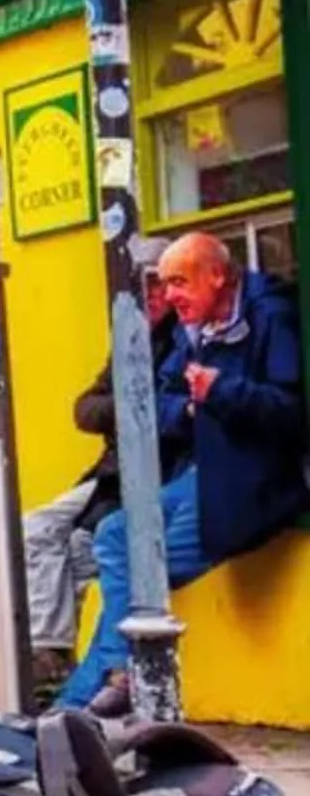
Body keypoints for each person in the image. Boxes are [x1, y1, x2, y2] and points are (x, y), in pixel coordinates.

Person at [56, 231, 306, 713]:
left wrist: (221, 392)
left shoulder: (270, 317)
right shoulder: (196, 327)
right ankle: (103, 684)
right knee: (112, 536)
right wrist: (191, 410)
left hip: (250, 483)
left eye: (177, 282)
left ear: (217, 276)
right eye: (164, 284)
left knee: (139, 574)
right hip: (202, 472)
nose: (169, 295)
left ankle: (84, 699)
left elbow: (291, 413)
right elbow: (160, 399)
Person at [21, 250, 178, 701]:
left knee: (82, 548)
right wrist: (125, 407)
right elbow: (86, 408)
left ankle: (63, 671)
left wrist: (129, 409)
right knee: (35, 530)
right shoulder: (133, 333)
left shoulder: (178, 339)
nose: (149, 296)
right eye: (141, 285)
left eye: (157, 285)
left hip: (149, 476)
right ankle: (50, 650)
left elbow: (164, 416)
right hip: (109, 473)